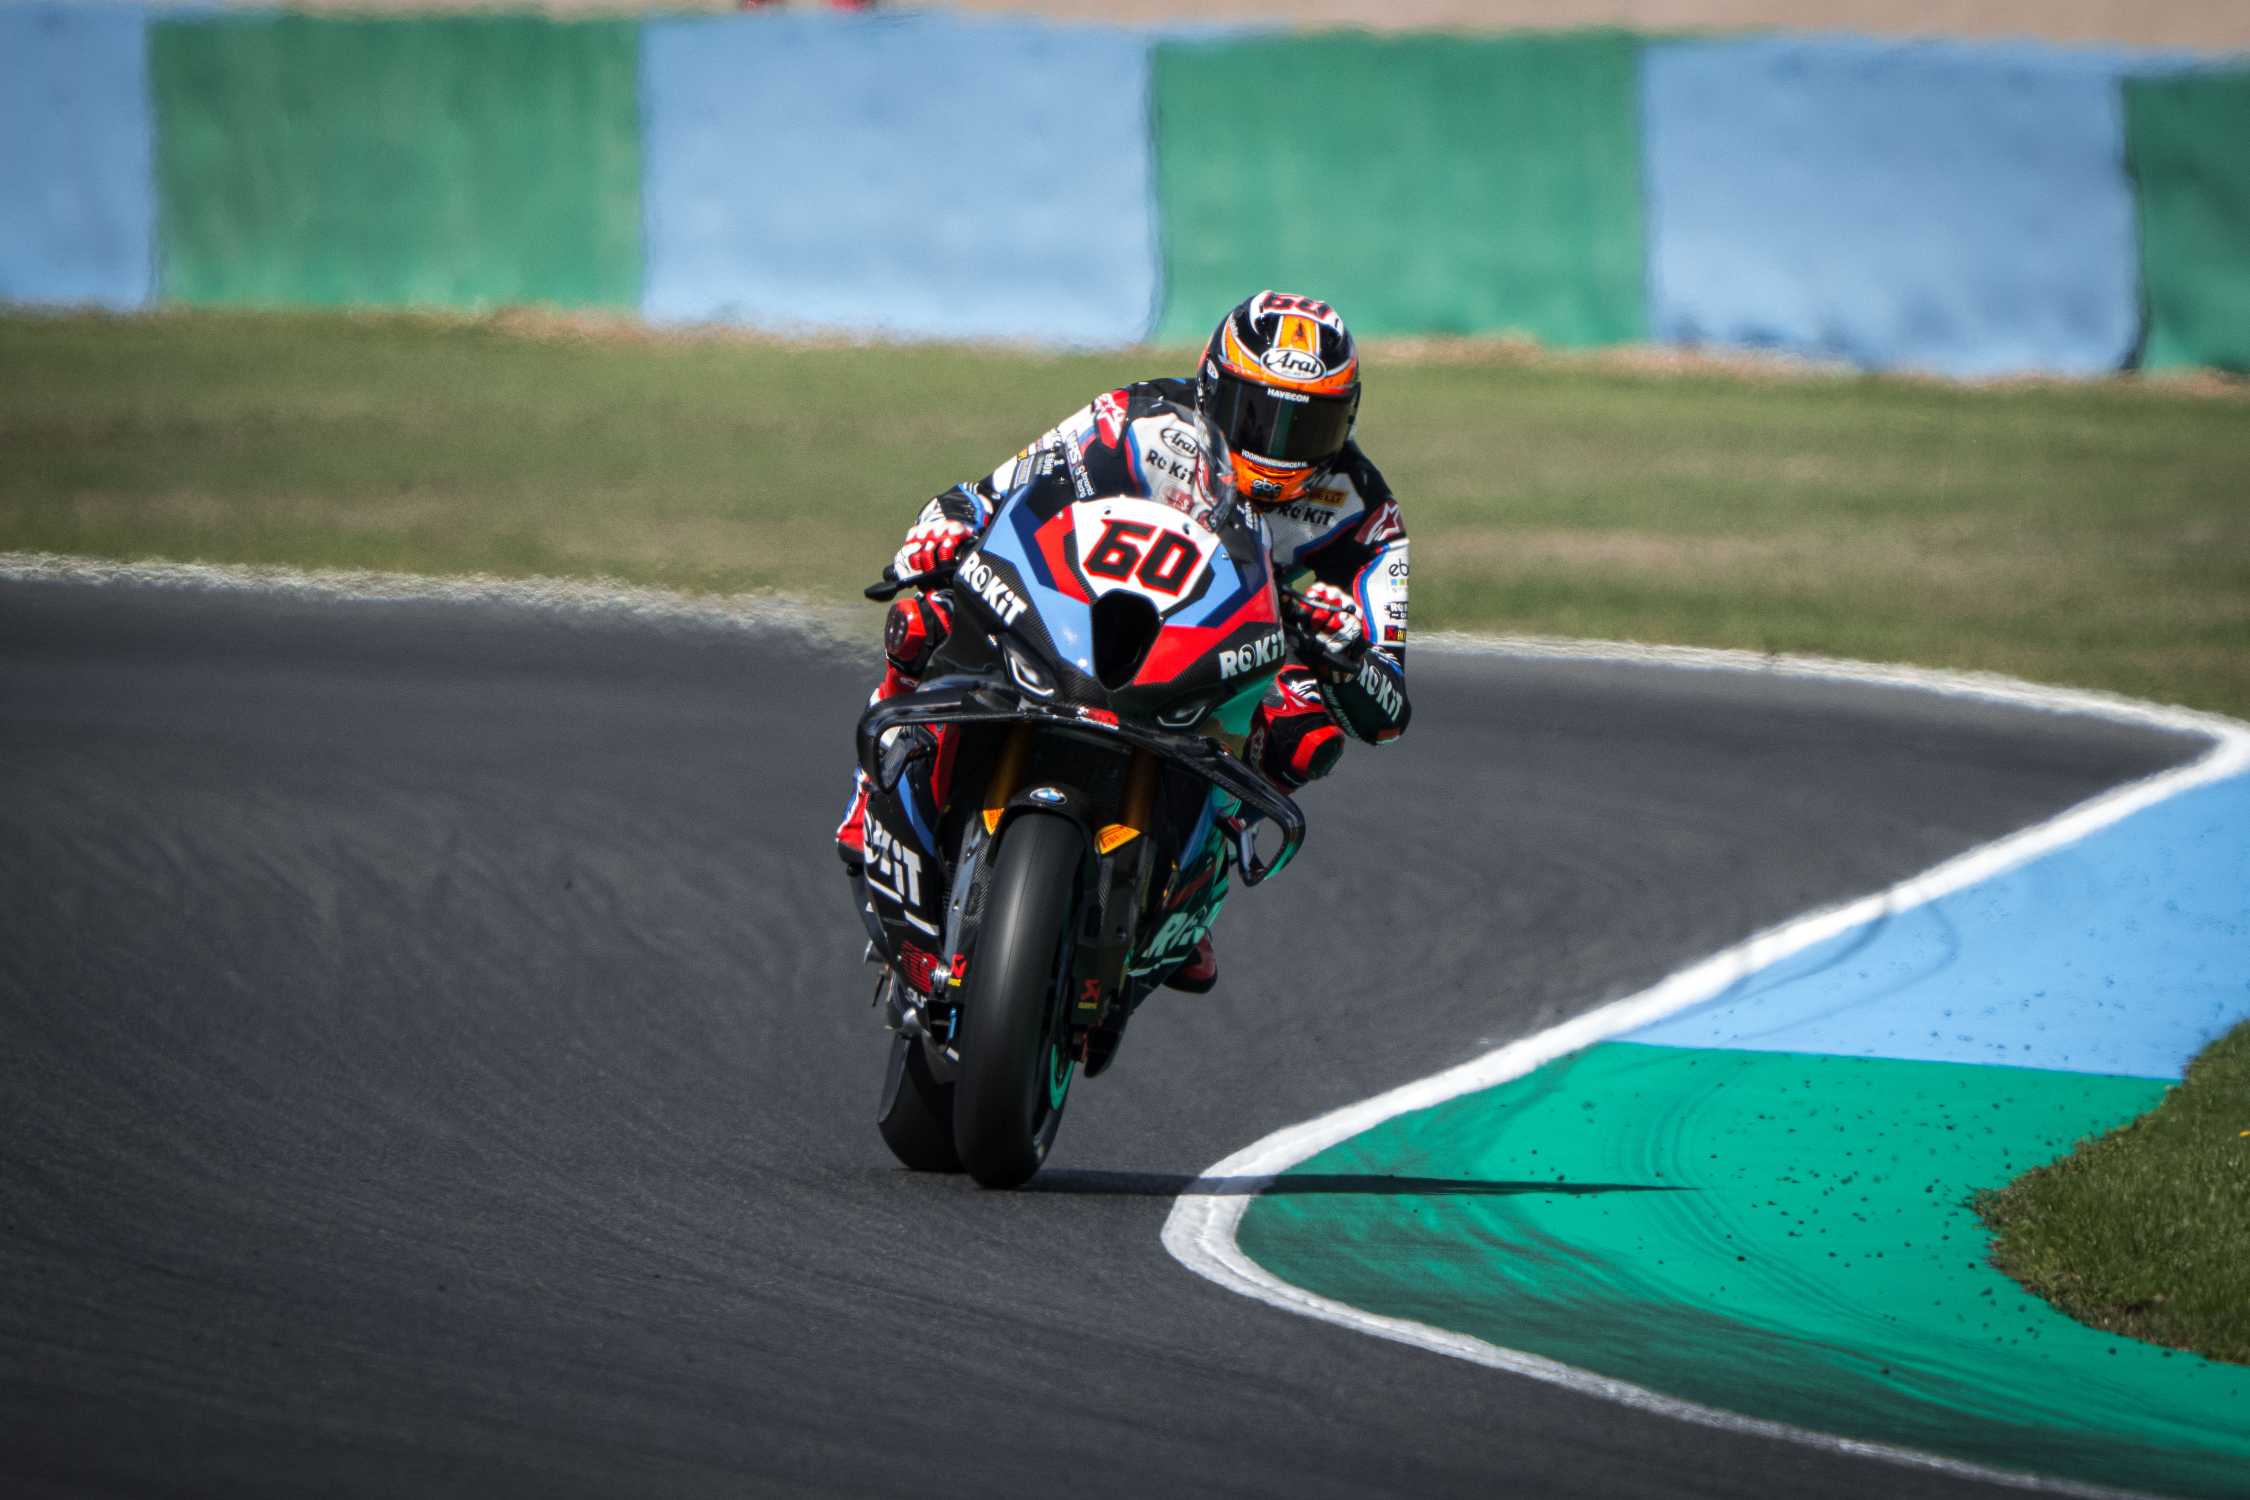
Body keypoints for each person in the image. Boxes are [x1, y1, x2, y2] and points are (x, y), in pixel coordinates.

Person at [837, 290, 1412, 992]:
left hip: (1222, 651)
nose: (1277, 446)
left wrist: (1347, 655)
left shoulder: (1366, 512)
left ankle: (1196, 881)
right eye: (1258, 415)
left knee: (1305, 726)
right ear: (1213, 386)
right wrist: (942, 530)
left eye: (1308, 425)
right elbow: (990, 492)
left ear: (1347, 420)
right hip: (1088, 603)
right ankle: (873, 795)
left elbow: (1388, 708)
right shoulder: (1133, 418)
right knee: (928, 616)